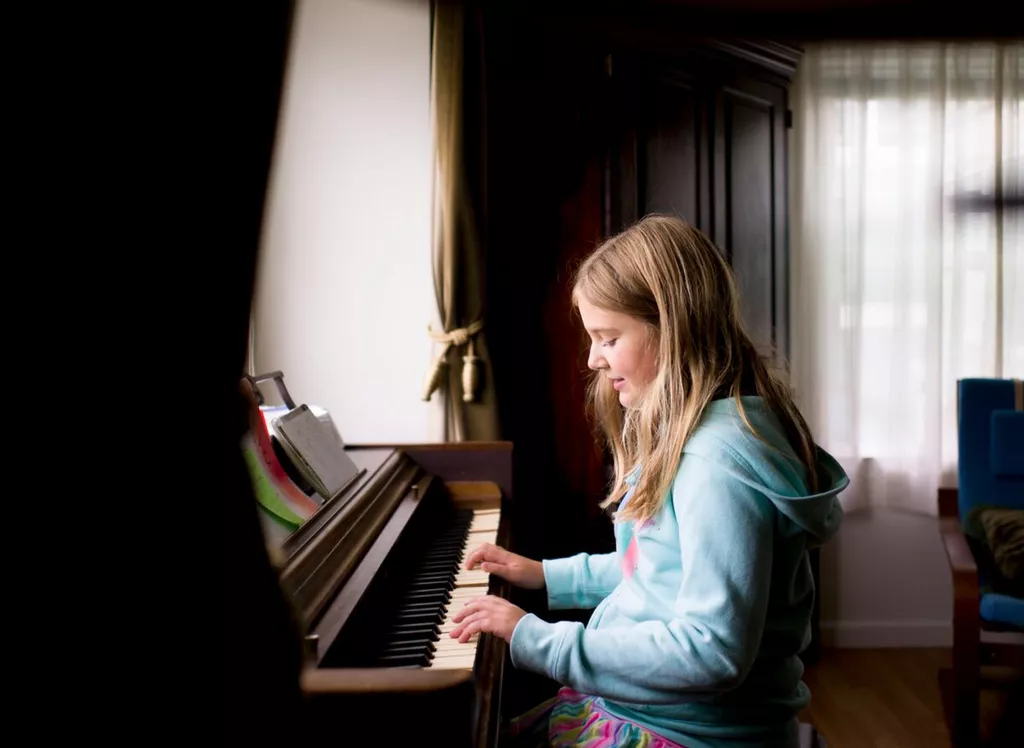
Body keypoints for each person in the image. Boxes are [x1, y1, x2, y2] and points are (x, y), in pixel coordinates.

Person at [450, 214, 848, 748]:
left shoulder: (716, 466)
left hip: (686, 733)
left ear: (671, 328)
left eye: (608, 338)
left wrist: (539, 640)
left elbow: (712, 651)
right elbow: (657, 568)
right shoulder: (703, 434)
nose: (593, 358)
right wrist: (547, 576)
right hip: (655, 714)